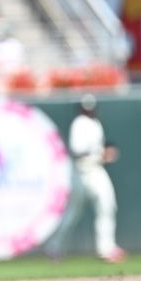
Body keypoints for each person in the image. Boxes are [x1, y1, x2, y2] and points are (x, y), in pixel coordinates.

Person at [44, 94, 127, 263]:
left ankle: (106, 248)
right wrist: (100, 153)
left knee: (107, 205)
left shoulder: (95, 123)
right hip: (82, 171)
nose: (89, 111)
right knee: (72, 213)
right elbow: (78, 149)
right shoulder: (79, 123)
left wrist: (104, 153)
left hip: (96, 170)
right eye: (86, 109)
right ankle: (54, 247)